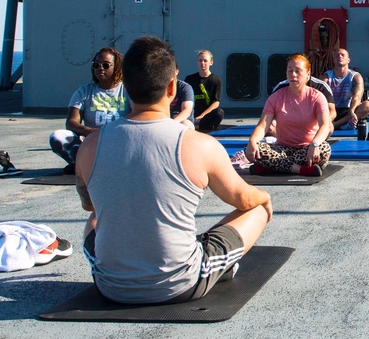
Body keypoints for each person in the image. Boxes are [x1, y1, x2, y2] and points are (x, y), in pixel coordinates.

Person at [76, 36, 272, 304]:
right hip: (180, 284)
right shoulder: (199, 145)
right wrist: (265, 197)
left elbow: (89, 206)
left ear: (125, 87)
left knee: (96, 219)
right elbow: (244, 199)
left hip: (109, 285)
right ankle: (215, 266)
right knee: (257, 209)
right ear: (172, 88)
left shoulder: (89, 145)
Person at [246, 54, 333, 176]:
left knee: (325, 149)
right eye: (290, 71)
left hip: (308, 149)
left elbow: (325, 126)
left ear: (308, 74)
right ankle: (299, 169)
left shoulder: (317, 97)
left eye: (298, 71)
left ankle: (272, 167)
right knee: (252, 149)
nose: (293, 75)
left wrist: (315, 144)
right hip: (282, 149)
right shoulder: (276, 97)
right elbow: (262, 126)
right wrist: (252, 141)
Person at [49, 47, 130, 173]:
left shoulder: (128, 91)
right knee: (57, 137)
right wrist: (92, 132)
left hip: (120, 143)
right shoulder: (84, 92)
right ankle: (85, 163)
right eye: (96, 65)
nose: (100, 68)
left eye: (105, 65)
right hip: (93, 142)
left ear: (117, 66)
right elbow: (71, 122)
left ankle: (91, 166)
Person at [325, 48, 369, 130]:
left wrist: (352, 111)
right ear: (334, 60)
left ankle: (335, 125)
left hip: (348, 110)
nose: (340, 56)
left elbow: (357, 95)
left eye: (343, 55)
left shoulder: (355, 76)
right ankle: (339, 125)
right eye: (337, 55)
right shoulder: (326, 76)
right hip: (331, 110)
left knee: (368, 105)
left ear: (348, 60)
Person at [185, 50, 224, 132]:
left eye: (205, 61)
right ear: (197, 62)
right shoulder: (190, 79)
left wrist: (202, 115)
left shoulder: (216, 80)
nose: (202, 63)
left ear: (211, 62)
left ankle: (202, 125)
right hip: (192, 113)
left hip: (206, 114)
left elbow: (216, 102)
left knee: (219, 113)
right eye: (200, 60)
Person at [169, 64, 195, 129]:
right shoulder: (160, 88)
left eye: (171, 70)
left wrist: (171, 124)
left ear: (177, 71)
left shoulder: (185, 88)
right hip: (165, 119)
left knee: (186, 124)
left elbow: (187, 110)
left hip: (181, 120)